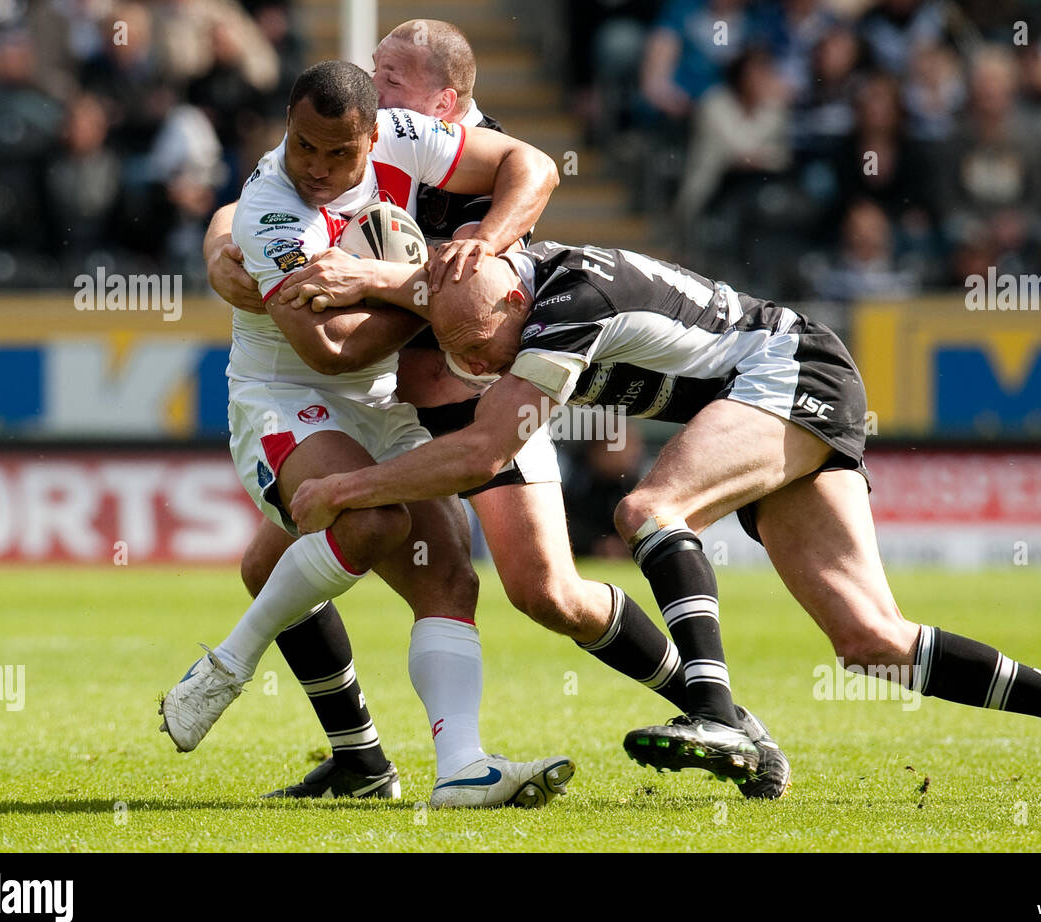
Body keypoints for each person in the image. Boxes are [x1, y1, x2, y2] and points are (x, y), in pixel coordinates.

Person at [284, 243, 1041, 802]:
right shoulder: (494, 287)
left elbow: (483, 453)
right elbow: (449, 290)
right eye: (464, 354)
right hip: (773, 394)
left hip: (791, 369)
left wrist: (349, 489)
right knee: (870, 640)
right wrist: (369, 277)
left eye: (485, 349)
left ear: (516, 309)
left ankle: (718, 716)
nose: (479, 366)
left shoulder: (569, 300)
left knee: (649, 506)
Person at [204, 20, 792, 800]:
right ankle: (359, 758)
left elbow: (511, 220)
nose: (374, 93)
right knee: (267, 563)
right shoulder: (362, 138)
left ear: (446, 101)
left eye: (391, 80)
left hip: (476, 398)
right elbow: (255, 197)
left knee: (546, 591)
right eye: (373, 74)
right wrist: (220, 248)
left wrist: (467, 248)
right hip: (387, 403)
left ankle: (719, 713)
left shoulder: (477, 162)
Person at [159, 59, 577, 810]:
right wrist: (435, 297)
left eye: (338, 153)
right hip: (288, 398)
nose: (317, 169)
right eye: (303, 146)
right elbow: (331, 347)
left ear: (373, 136)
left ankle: (461, 769)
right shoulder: (270, 213)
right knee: (374, 518)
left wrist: (480, 250)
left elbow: (533, 164)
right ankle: (229, 662)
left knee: (451, 572)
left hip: (383, 400)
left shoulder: (406, 134)